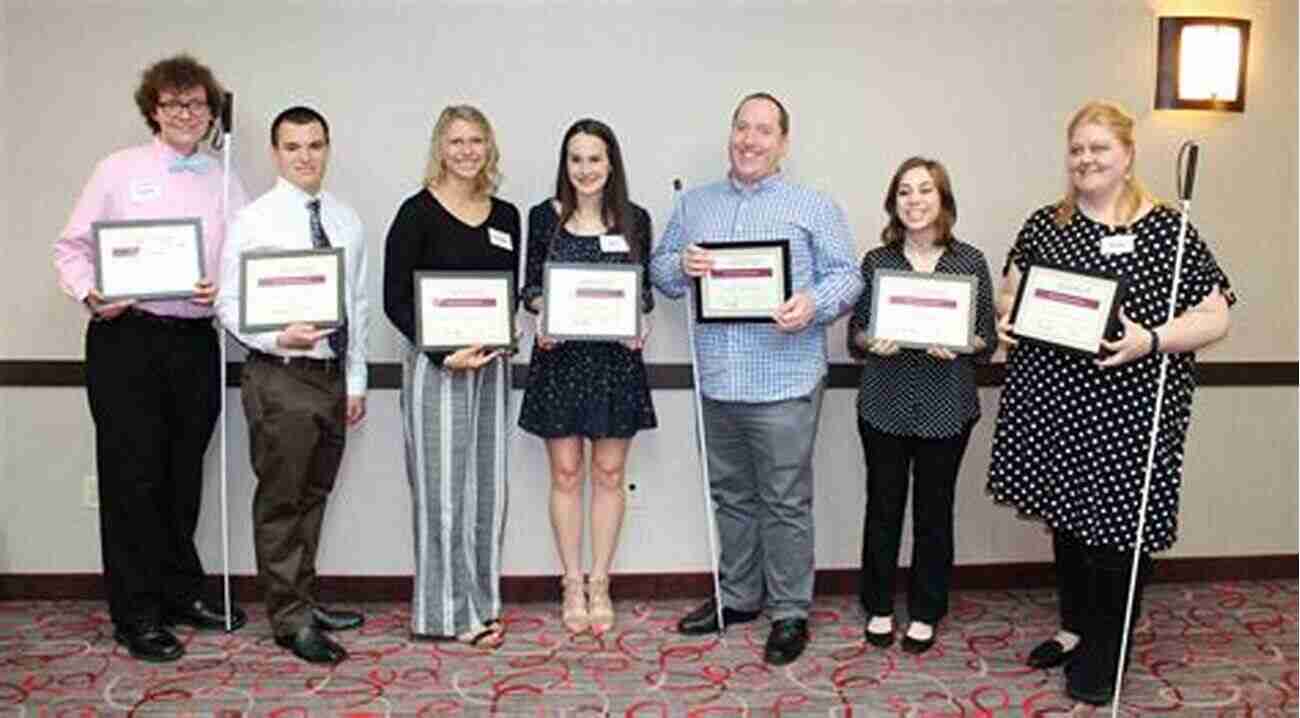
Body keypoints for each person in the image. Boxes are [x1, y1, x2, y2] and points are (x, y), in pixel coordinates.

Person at [987, 101, 1232, 705]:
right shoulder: (1048, 223)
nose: (1085, 159)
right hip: (1054, 399)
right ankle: (1074, 629)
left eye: (1099, 148)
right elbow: (1010, 291)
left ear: (1126, 156)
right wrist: (1006, 318)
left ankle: (1109, 644)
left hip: (1133, 405)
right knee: (1065, 518)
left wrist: (1150, 340)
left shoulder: (1168, 231)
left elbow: (1217, 315)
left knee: (1121, 529)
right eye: (1076, 149)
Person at [649, 92, 863, 665]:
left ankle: (790, 611)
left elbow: (849, 277)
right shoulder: (694, 205)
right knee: (731, 497)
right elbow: (661, 270)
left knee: (786, 500)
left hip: (784, 378)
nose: (749, 140)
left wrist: (812, 303)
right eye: (741, 127)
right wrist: (680, 265)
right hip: (717, 379)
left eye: (763, 131)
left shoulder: (812, 206)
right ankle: (738, 596)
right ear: (731, 134)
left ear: (782, 143)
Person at [53, 54, 248, 663]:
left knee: (182, 474)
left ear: (212, 112)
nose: (187, 114)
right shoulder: (118, 169)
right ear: (153, 110)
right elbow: (72, 248)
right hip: (127, 340)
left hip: (193, 342)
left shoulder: (225, 176)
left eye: (197, 104)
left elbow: (243, 253)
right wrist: (92, 293)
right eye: (174, 104)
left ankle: (177, 592)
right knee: (132, 478)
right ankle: (134, 613)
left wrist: (227, 286)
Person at [216, 106, 370, 665]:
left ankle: (303, 598)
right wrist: (280, 333)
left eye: (315, 145)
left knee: (314, 495)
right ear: (275, 153)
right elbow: (228, 303)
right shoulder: (254, 220)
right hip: (278, 375)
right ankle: (289, 620)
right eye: (293, 147)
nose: (305, 156)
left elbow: (357, 306)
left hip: (330, 377)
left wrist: (355, 382)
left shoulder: (347, 220)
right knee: (282, 500)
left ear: (328, 148)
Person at [382, 105, 519, 649]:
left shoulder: (505, 216)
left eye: (477, 141)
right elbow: (397, 300)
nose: (467, 151)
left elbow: (504, 294)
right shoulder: (415, 214)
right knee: (441, 495)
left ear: (489, 148)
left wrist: (505, 331)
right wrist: (443, 352)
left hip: (490, 367)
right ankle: (444, 612)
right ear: (440, 147)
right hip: (436, 369)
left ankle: (482, 602)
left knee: (488, 491)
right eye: (456, 141)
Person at [847, 157, 995, 654]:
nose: (914, 200)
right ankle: (880, 606)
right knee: (883, 508)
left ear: (943, 199)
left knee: (935, 512)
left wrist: (962, 344)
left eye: (925, 190)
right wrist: (871, 341)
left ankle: (927, 610)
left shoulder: (969, 261)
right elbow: (856, 333)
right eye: (905, 192)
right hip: (884, 403)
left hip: (946, 407)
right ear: (894, 203)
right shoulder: (877, 261)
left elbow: (987, 340)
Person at [518, 119, 657, 637]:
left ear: (611, 163)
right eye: (575, 159)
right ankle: (570, 582)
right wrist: (540, 314)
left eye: (594, 159)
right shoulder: (544, 218)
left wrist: (638, 324)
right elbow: (531, 287)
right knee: (566, 474)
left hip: (614, 365)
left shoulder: (634, 219)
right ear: (565, 165)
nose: (585, 169)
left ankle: (601, 581)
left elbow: (641, 295)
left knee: (609, 476)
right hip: (560, 362)